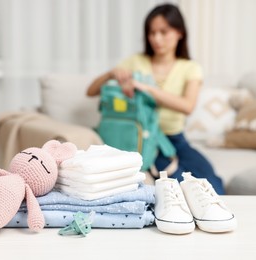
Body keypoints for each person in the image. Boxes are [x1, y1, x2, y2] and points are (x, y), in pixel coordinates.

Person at [86, 3, 225, 194]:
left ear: (179, 32)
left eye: (163, 32)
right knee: (181, 186)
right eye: (151, 33)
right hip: (143, 141)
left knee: (214, 184)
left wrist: (146, 88)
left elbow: (187, 106)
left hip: (175, 140)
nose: (156, 39)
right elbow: (91, 91)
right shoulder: (136, 62)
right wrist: (111, 73)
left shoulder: (190, 68)